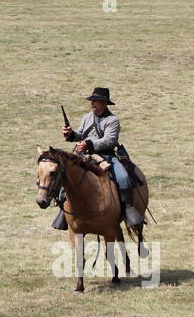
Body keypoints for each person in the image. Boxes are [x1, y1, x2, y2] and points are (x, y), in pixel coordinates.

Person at [54, 87, 142, 230]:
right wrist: (70, 134)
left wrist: (89, 143)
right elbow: (80, 134)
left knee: (123, 177)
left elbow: (109, 140)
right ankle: (63, 213)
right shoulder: (87, 117)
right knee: (67, 178)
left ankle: (128, 209)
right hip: (85, 156)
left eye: (95, 101)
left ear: (104, 103)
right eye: (92, 101)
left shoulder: (113, 120)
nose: (92, 104)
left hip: (107, 156)